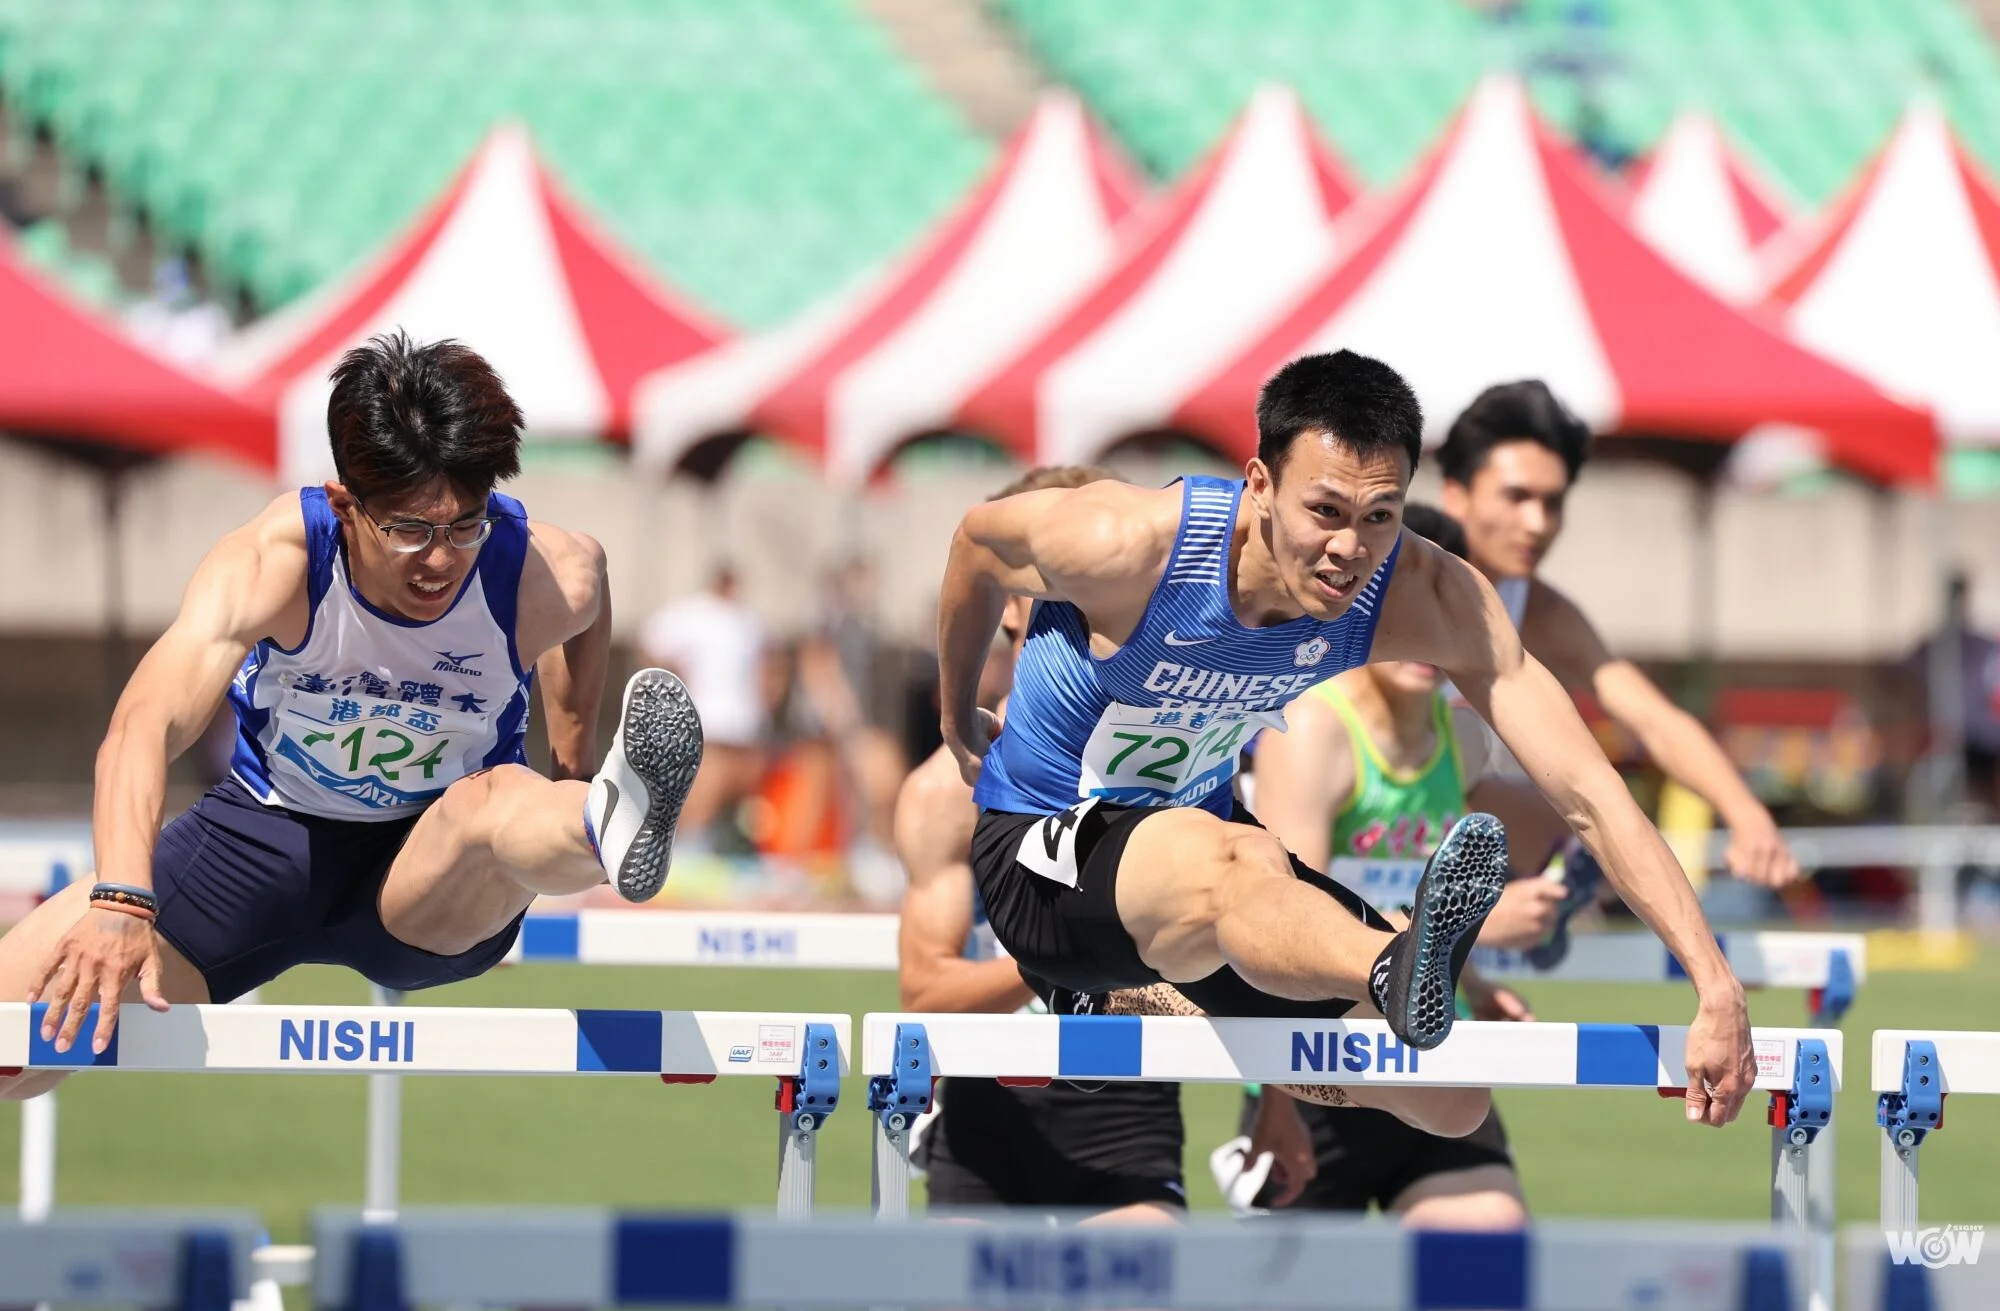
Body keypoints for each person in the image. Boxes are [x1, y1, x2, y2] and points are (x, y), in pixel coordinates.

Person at [939, 350, 1754, 1134]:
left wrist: (1714, 983)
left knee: (1448, 1094)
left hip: (1199, 877)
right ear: (1260, 485)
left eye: (1380, 517)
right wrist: (956, 711)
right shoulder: (1125, 544)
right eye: (1324, 511)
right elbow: (976, 543)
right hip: (1042, 862)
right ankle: (1391, 960)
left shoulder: (1423, 591)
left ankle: (1139, 992)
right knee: (1228, 852)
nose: (1348, 551)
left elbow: (1588, 789)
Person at [0, 331, 702, 1085]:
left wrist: (573, 758)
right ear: (346, 504)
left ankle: (604, 814)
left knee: (498, 802)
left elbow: (588, 587)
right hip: (257, 847)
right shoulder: (278, 560)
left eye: (464, 524)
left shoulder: (537, 573)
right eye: (408, 530)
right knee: (11, 1044)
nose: (440, 559)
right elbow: (143, 724)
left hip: (428, 866)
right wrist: (121, 903)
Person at [898, 465, 1190, 1222]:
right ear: (1014, 606)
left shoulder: (1188, 760)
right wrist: (1058, 958)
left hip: (1129, 1121)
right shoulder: (942, 791)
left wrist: (1274, 1102)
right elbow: (926, 996)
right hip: (987, 1129)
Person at [1233, 505, 1532, 1225]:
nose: (1422, 627)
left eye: (1439, 604)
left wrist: (1478, 983)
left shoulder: (1455, 729)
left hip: (1431, 1051)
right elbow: (1275, 929)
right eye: (1398, 595)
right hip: (1319, 1063)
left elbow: (1417, 898)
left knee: (1490, 1254)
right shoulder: (1312, 726)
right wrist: (1273, 1099)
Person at [1435, 381, 1799, 889]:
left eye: (1553, 503)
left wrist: (1745, 812)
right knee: (1475, 754)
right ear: (1456, 494)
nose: (1536, 524)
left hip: (1432, 825)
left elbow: (1653, 719)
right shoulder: (1393, 581)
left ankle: (1549, 892)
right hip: (1340, 811)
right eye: (1516, 497)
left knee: (1572, 806)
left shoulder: (1540, 609)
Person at [640, 566, 768, 851]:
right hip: (708, 719)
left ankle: (725, 848)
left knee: (743, 795)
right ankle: (685, 849)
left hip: (743, 723)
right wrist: (672, 685)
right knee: (704, 792)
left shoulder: (748, 620)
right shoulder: (691, 614)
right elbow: (651, 643)